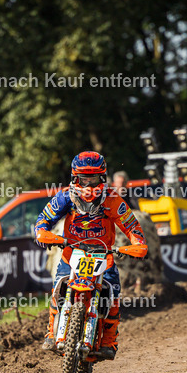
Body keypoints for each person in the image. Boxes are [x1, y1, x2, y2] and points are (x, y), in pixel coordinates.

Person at [34, 151, 147, 360]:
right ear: (74, 178)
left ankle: (109, 341)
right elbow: (44, 218)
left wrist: (137, 242)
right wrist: (42, 232)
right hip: (72, 252)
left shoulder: (112, 200)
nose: (87, 185)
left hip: (104, 255)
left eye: (92, 179)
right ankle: (52, 333)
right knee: (58, 287)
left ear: (102, 178)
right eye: (83, 179)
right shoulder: (65, 196)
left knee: (112, 294)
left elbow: (131, 225)